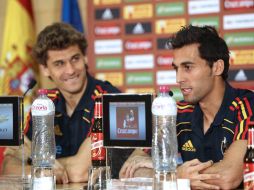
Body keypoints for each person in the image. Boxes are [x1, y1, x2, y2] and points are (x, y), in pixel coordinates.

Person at [119, 25, 254, 189]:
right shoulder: (179, 112)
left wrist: (174, 175)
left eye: (188, 67)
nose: (178, 78)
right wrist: (177, 176)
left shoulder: (247, 106)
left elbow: (226, 176)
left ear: (217, 67)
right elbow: (130, 171)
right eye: (176, 68)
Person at [1, 22, 133, 184]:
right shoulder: (44, 104)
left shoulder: (110, 100)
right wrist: (47, 171)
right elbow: (9, 166)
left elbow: (80, 172)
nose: (70, 70)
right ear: (44, 69)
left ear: (84, 57)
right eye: (59, 63)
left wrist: (39, 169)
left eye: (75, 59)